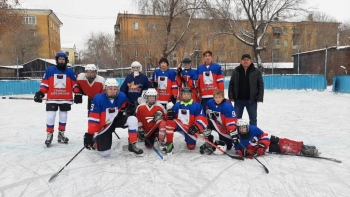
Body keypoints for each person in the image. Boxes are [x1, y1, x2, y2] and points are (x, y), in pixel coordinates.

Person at [83, 78, 143, 157]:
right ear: (105, 89)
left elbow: (125, 103)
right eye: (110, 88)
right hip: (104, 126)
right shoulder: (98, 99)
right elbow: (93, 119)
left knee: (132, 119)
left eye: (115, 89)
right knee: (105, 154)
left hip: (115, 120)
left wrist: (127, 108)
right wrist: (90, 134)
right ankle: (96, 142)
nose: (113, 90)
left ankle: (132, 144)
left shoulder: (121, 96)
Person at [34, 51, 80, 147]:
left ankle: (61, 134)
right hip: (52, 98)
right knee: (51, 116)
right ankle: (49, 134)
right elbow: (45, 84)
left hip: (66, 98)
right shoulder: (49, 70)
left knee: (63, 116)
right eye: (60, 59)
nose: (61, 61)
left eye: (63, 59)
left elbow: (74, 84)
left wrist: (77, 93)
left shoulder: (70, 71)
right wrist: (41, 93)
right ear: (57, 60)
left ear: (66, 61)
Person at [234, 119, 318, 158]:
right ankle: (302, 151)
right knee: (282, 148)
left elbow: (263, 135)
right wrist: (248, 152)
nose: (242, 129)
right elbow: (239, 151)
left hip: (265, 141)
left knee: (283, 141)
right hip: (264, 148)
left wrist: (262, 144)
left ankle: (303, 146)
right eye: (240, 128)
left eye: (243, 127)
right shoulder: (238, 139)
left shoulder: (253, 128)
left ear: (247, 127)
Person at [228, 54, 264, 126]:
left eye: (247, 60)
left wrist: (259, 97)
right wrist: (231, 96)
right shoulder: (236, 71)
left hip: (252, 100)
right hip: (238, 100)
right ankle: (237, 134)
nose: (245, 61)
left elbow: (260, 85)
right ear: (241, 61)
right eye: (244, 60)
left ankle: (253, 134)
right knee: (237, 119)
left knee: (253, 119)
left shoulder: (256, 71)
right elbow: (231, 84)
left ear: (251, 61)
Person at [199, 89, 238, 154]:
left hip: (223, 127)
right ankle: (209, 140)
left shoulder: (227, 106)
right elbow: (207, 109)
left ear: (223, 97)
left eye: (219, 97)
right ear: (213, 97)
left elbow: (231, 120)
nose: (217, 99)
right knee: (205, 124)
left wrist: (232, 131)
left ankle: (224, 138)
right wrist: (209, 112)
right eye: (216, 97)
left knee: (228, 146)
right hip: (214, 124)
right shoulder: (210, 102)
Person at [135, 88, 173, 152]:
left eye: (153, 96)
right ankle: (153, 138)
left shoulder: (160, 106)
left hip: (156, 128)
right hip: (147, 130)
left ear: (156, 97)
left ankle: (161, 141)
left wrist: (163, 115)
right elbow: (138, 119)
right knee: (148, 146)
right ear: (146, 97)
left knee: (163, 123)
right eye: (150, 97)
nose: (151, 98)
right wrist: (140, 129)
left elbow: (166, 118)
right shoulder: (140, 107)